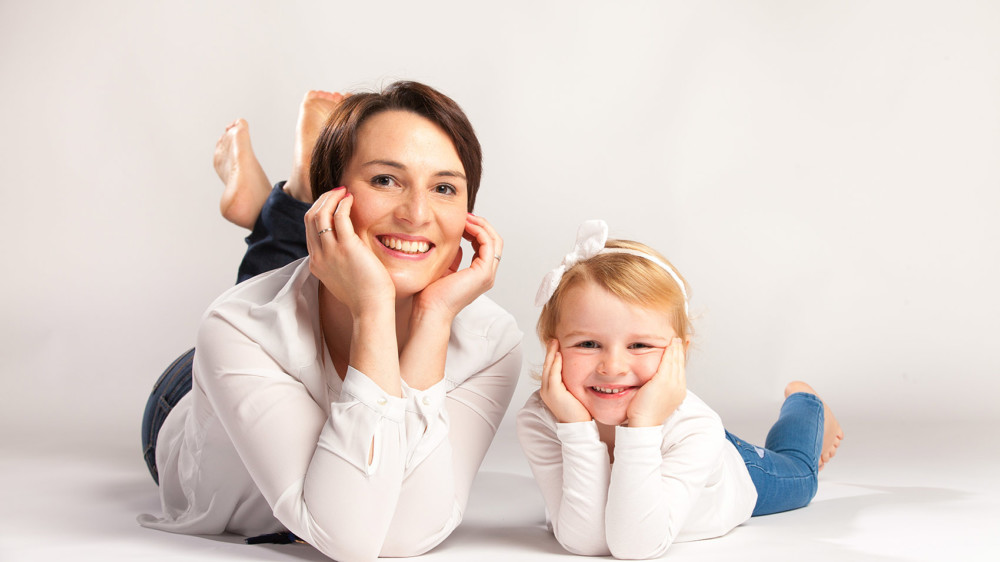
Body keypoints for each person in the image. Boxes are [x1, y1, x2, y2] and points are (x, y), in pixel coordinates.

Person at [138, 82, 524, 562]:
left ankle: (286, 196)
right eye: (386, 179)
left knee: (313, 275)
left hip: (299, 316)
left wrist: (433, 317)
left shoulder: (491, 340)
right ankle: (301, 190)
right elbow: (347, 539)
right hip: (191, 393)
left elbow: (403, 536)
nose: (417, 214)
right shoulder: (236, 327)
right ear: (334, 197)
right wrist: (372, 308)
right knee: (283, 294)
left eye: (444, 188)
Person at [516, 220, 843, 560]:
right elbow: (588, 543)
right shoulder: (541, 420)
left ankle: (807, 404)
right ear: (553, 348)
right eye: (587, 343)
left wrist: (643, 425)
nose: (612, 367)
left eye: (640, 344)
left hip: (731, 468)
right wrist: (574, 427)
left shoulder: (696, 427)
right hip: (664, 441)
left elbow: (634, 547)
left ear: (679, 353)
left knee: (801, 476)